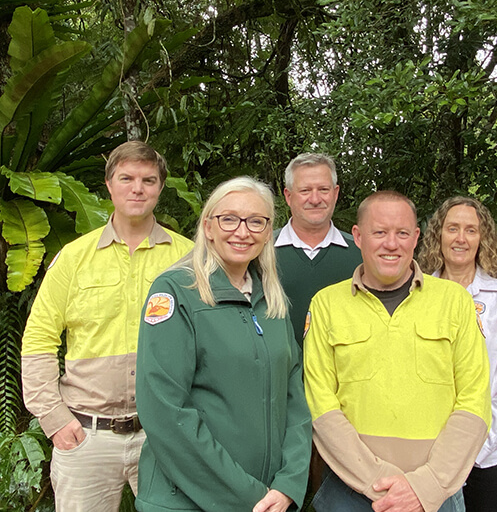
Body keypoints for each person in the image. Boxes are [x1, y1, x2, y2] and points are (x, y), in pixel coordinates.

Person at [21, 141, 193, 512]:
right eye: (126, 178)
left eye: (148, 180)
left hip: (163, 434)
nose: (137, 188)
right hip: (86, 436)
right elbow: (38, 339)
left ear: (161, 187)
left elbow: (209, 340)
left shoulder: (188, 258)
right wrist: (53, 418)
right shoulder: (74, 258)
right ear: (108, 184)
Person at [304, 190, 491, 512]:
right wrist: (378, 481)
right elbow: (320, 404)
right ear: (358, 237)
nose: (392, 244)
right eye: (379, 233)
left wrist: (425, 487)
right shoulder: (326, 305)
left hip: (436, 493)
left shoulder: (455, 301)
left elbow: (475, 399)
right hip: (349, 492)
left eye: (402, 233)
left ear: (416, 237)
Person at [135, 176, 312, 512]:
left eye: (256, 221)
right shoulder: (177, 291)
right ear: (208, 226)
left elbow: (295, 400)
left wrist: (288, 483)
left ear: (268, 231)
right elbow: (164, 409)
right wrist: (248, 496)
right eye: (229, 218)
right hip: (188, 502)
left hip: (270, 499)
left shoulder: (272, 300)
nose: (242, 231)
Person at [419, 196, 497, 512]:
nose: (460, 238)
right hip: (429, 453)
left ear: (483, 238)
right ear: (438, 235)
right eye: (452, 228)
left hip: (491, 456)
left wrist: (474, 444)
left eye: (471, 230)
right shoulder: (418, 294)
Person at [275, 153, 361, 344]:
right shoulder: (261, 251)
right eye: (305, 190)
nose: (315, 199)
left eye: (323, 189)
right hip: (278, 372)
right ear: (288, 196)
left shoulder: (361, 254)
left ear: (336, 193)